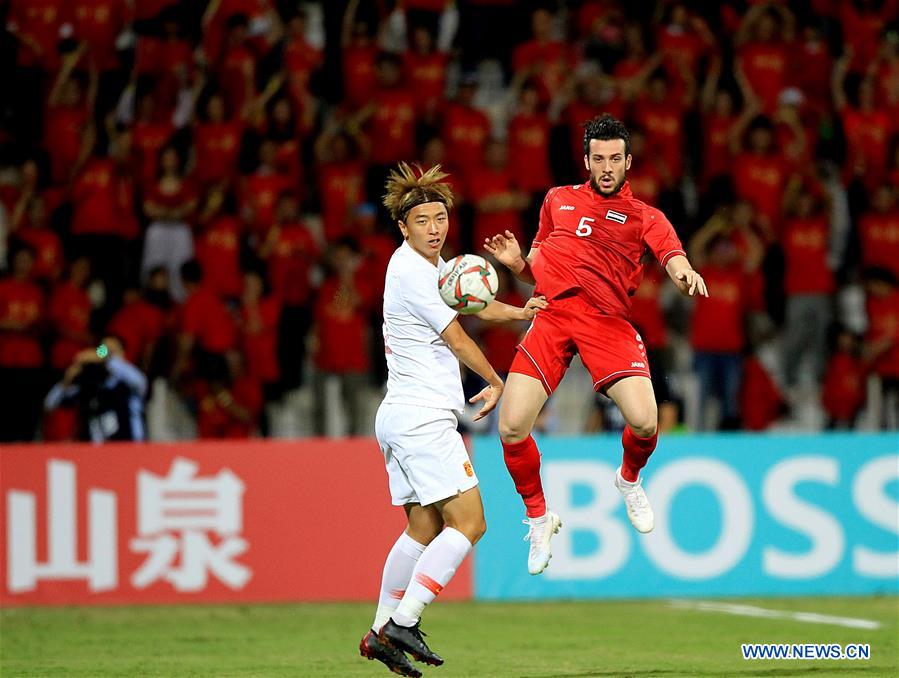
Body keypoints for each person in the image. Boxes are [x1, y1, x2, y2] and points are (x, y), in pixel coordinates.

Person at [484, 114, 708, 575]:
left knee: (645, 422)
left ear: (629, 162)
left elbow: (673, 256)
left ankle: (629, 480)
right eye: (599, 158)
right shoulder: (557, 200)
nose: (607, 167)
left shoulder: (647, 217)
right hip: (553, 315)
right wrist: (517, 265)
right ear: (586, 161)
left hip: (607, 322)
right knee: (511, 427)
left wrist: (684, 272)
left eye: (615, 159)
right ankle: (539, 518)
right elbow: (536, 268)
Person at [359, 163, 545, 677]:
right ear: (403, 226)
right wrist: (497, 380)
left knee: (423, 527)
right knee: (471, 523)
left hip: (401, 414)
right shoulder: (411, 271)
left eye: (440, 218)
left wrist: (520, 313)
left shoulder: (430, 268)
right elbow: (457, 336)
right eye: (422, 221)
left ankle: (380, 632)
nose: (434, 228)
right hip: (421, 418)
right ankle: (404, 620)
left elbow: (474, 306)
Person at [44, 337, 148, 442]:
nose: (105, 354)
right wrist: (67, 381)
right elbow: (50, 404)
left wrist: (105, 357)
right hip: (96, 448)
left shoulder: (129, 384)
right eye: (103, 349)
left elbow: (140, 382)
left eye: (111, 351)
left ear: (123, 353)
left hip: (129, 445)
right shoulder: (89, 384)